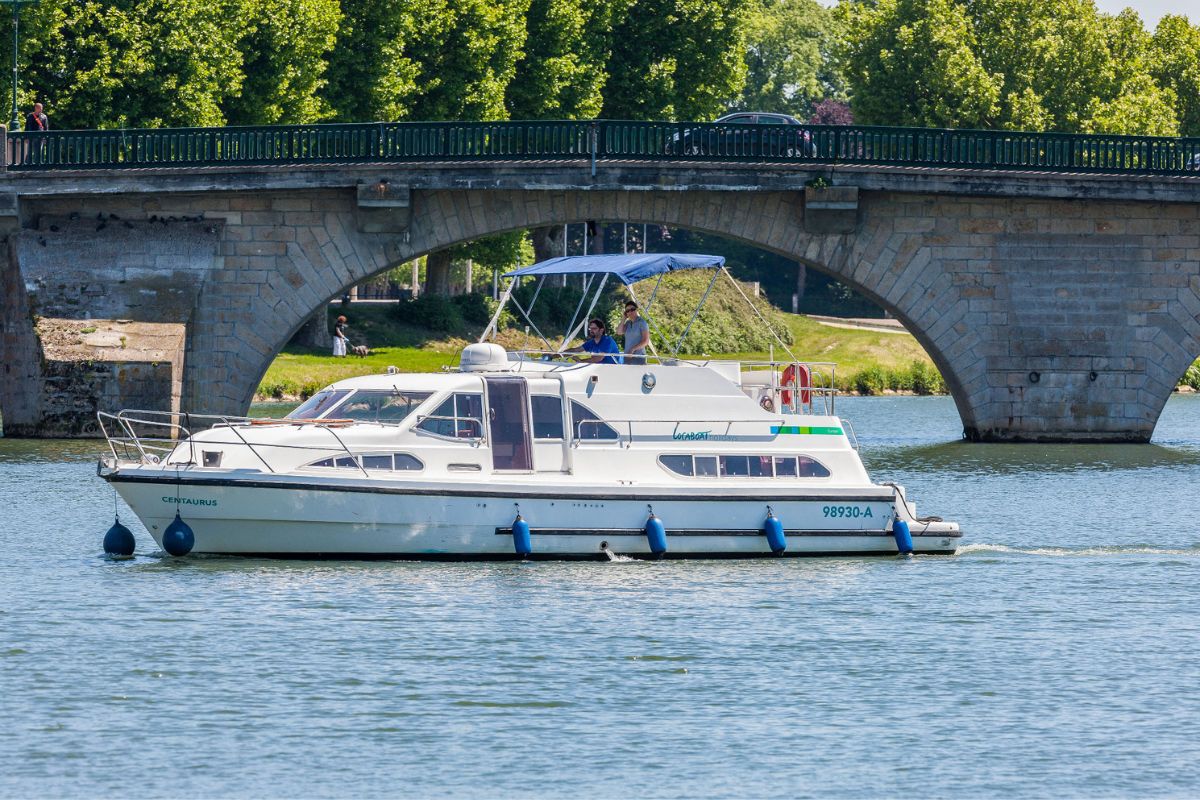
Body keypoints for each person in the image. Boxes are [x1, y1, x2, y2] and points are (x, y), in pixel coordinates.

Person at [617, 300, 649, 365]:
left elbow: (646, 341)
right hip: (627, 357)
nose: (630, 312)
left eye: (632, 309)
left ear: (636, 310)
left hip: (638, 357)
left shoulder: (642, 322)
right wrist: (624, 318)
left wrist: (632, 350)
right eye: (627, 311)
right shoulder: (628, 323)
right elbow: (619, 332)